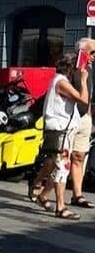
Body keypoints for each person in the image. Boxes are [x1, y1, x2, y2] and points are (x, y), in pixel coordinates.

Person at [31, 54, 90, 220]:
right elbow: (83, 99)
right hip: (60, 130)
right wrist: (83, 80)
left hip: (62, 130)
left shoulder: (59, 80)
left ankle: (43, 194)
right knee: (62, 167)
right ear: (71, 69)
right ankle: (61, 207)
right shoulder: (62, 82)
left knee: (57, 166)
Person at [68, 38, 95, 209]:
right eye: (92, 52)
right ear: (82, 52)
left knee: (79, 155)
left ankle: (77, 195)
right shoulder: (70, 66)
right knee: (60, 156)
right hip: (70, 115)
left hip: (85, 116)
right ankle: (41, 186)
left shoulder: (92, 67)